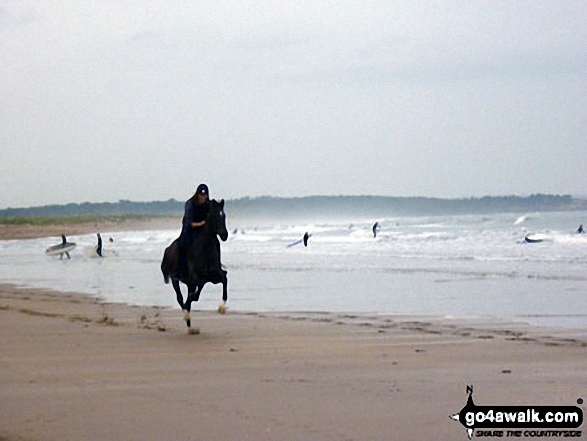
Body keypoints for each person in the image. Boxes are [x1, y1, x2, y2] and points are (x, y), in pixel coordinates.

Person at [177, 184, 213, 276]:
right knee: (182, 244)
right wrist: (201, 223)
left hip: (203, 230)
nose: (202, 197)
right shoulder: (190, 204)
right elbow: (189, 223)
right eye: (201, 195)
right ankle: (180, 269)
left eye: (204, 195)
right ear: (197, 195)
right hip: (189, 229)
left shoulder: (209, 205)